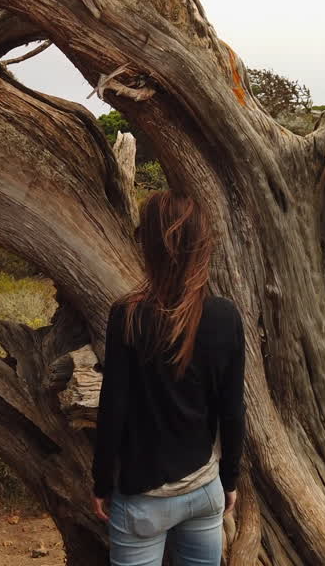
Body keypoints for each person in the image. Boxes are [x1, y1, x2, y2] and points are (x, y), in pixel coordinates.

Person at [91, 190, 246, 566]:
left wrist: (100, 483)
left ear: (151, 246)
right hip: (204, 491)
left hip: (143, 498)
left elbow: (113, 407)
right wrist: (229, 481)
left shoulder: (127, 316)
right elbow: (233, 410)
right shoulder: (225, 316)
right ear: (201, 245)